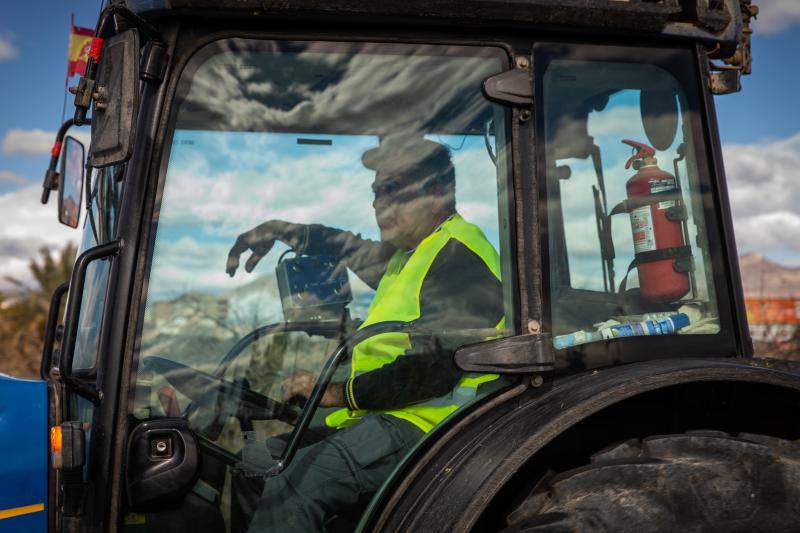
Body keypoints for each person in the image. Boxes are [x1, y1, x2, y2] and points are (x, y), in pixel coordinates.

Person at [225, 136, 505, 532]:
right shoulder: (408, 255)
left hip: (434, 423)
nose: (378, 203)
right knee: (255, 464)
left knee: (294, 484)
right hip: (386, 413)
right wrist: (277, 229)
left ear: (438, 191)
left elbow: (433, 371)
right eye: (376, 192)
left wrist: (337, 392)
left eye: (393, 189)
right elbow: (345, 245)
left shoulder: (457, 257)